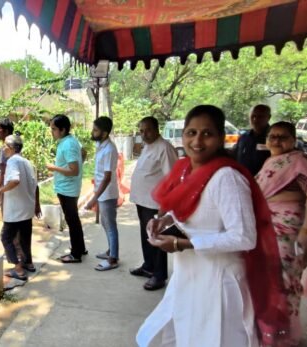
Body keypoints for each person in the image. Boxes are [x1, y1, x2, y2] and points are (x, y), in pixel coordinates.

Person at [136, 105, 289, 347]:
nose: (197, 140)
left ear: (220, 139)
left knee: (215, 338)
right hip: (190, 273)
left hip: (219, 280)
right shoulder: (186, 169)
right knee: (187, 334)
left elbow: (244, 237)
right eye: (191, 132)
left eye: (207, 134)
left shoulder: (227, 178)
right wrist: (164, 220)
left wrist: (182, 243)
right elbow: (190, 208)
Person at [256, 121, 307, 346]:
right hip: (266, 226)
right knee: (266, 280)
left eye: (283, 137)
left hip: (288, 229)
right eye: (273, 136)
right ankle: (268, 330)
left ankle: (284, 335)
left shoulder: (299, 161)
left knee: (285, 280)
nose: (277, 141)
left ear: (293, 140)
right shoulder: (271, 161)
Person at [128, 116, 177, 291]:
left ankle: (159, 275)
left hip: (154, 203)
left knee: (156, 237)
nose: (144, 134)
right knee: (146, 236)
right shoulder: (148, 147)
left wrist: (165, 207)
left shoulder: (164, 148)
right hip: (142, 201)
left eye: (148, 130)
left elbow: (172, 179)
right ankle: (148, 266)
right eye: (141, 131)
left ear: (157, 129)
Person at [0, 133, 41, 281]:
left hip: (15, 210)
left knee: (6, 237)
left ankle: (18, 269)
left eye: (5, 146)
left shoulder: (13, 161)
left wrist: (0, 191)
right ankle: (28, 263)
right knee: (24, 238)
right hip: (27, 208)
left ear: (11, 148)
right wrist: (35, 205)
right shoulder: (26, 162)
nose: (3, 148)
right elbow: (35, 186)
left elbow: (15, 180)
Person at [46, 114, 87, 263]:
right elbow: (83, 152)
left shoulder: (68, 144)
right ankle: (80, 248)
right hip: (68, 187)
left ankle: (76, 254)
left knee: (72, 220)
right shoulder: (68, 141)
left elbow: (74, 170)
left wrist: (54, 167)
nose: (52, 132)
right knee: (74, 220)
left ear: (63, 130)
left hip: (68, 189)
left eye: (54, 129)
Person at [85, 116, 120, 271]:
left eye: (96, 130)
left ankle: (113, 259)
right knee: (106, 224)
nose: (92, 132)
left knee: (110, 225)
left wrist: (94, 199)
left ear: (105, 133)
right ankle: (110, 251)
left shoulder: (110, 149)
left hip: (107, 193)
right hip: (102, 192)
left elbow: (107, 178)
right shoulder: (100, 144)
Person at [233, 104, 272, 176]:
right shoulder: (244, 137)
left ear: (268, 117)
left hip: (264, 182)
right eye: (253, 116)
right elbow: (235, 156)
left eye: (260, 117)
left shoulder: (274, 138)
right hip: (242, 180)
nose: (255, 120)